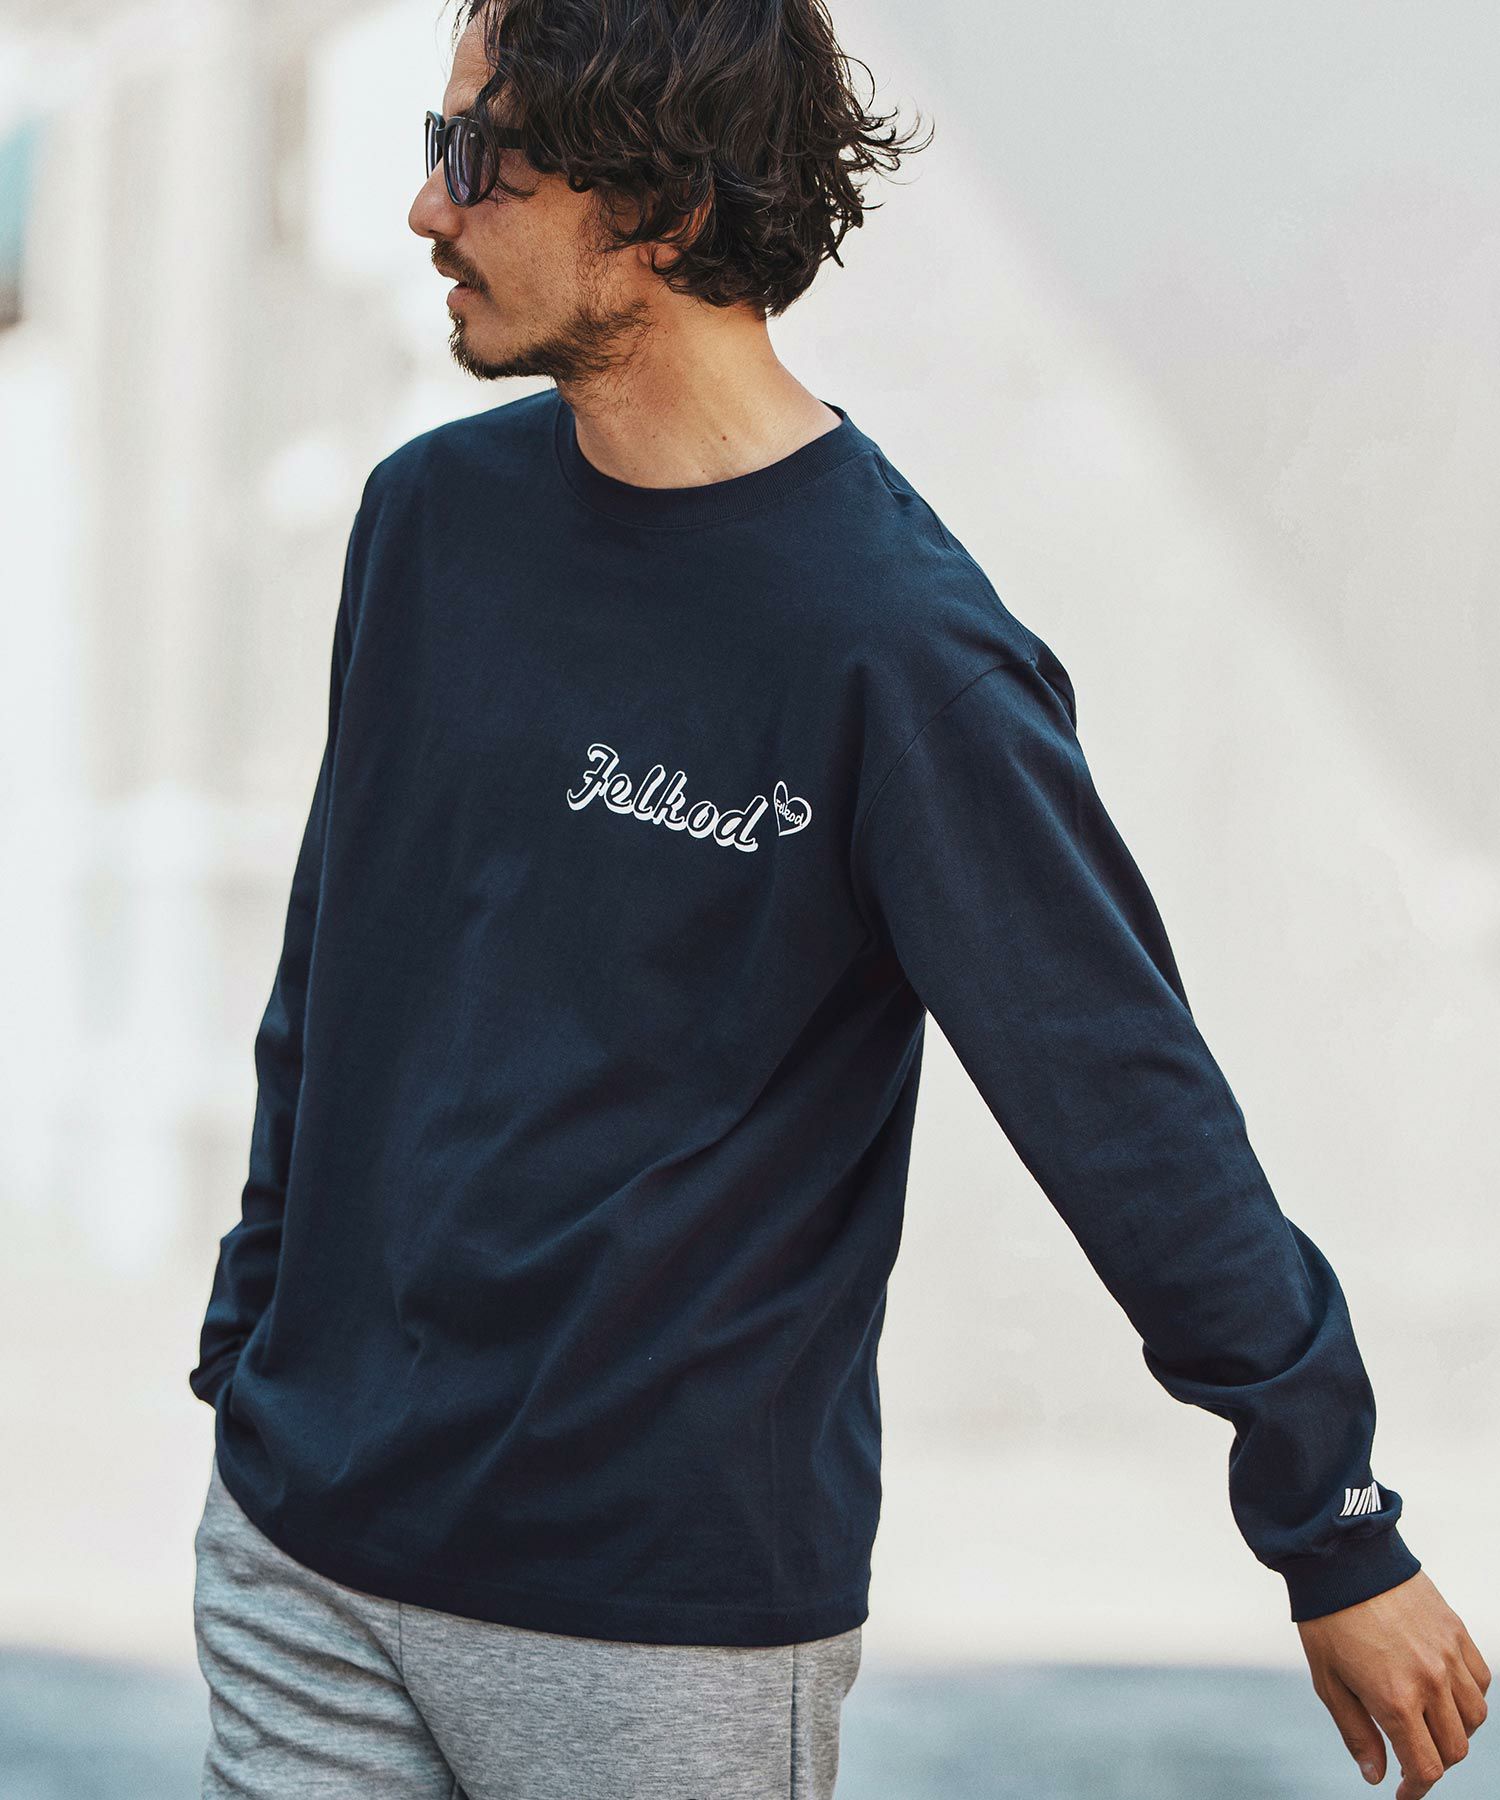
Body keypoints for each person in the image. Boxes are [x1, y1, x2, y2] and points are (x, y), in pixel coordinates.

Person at [188, 2, 1490, 1796]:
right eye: (439, 144)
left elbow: (1116, 1089)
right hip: (305, 1557)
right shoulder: (429, 523)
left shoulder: (899, 650)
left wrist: (1330, 1512)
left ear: (662, 210)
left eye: (480, 157)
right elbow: (334, 973)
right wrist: (251, 1352)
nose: (429, 207)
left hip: (651, 1621)